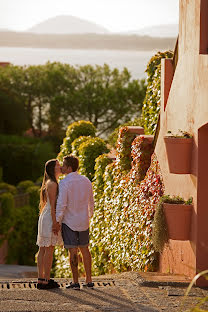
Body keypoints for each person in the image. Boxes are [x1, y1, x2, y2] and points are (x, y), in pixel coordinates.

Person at [56, 155, 94, 290]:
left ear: (69, 168)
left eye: (64, 166)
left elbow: (62, 204)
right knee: (85, 249)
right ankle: (89, 280)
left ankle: (75, 281)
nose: (61, 167)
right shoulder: (86, 181)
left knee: (72, 251)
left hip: (69, 221)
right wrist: (89, 216)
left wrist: (57, 221)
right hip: (83, 221)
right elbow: (91, 202)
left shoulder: (64, 183)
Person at [36, 159, 63, 289]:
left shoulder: (49, 182)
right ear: (53, 169)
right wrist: (55, 223)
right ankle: (46, 280)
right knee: (48, 249)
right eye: (58, 165)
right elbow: (53, 206)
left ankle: (41, 279)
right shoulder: (53, 184)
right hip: (49, 218)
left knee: (42, 248)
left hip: (45, 217)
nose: (61, 167)